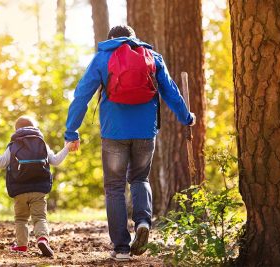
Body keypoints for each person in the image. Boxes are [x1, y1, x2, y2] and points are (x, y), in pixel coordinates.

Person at [64, 25, 196, 261]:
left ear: (110, 40)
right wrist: (187, 117)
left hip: (114, 133)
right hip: (145, 132)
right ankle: (143, 222)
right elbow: (171, 92)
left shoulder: (102, 57)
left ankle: (121, 248)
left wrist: (71, 131)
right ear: (134, 38)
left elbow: (82, 95)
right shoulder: (152, 57)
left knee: (114, 187)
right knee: (140, 178)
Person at [0, 116, 74, 257]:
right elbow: (55, 160)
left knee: (21, 219)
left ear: (16, 130)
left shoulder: (13, 145)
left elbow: (1, 163)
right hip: (39, 189)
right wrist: (67, 148)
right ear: (34, 127)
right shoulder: (41, 143)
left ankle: (22, 246)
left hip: (19, 190)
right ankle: (42, 239)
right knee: (40, 218)